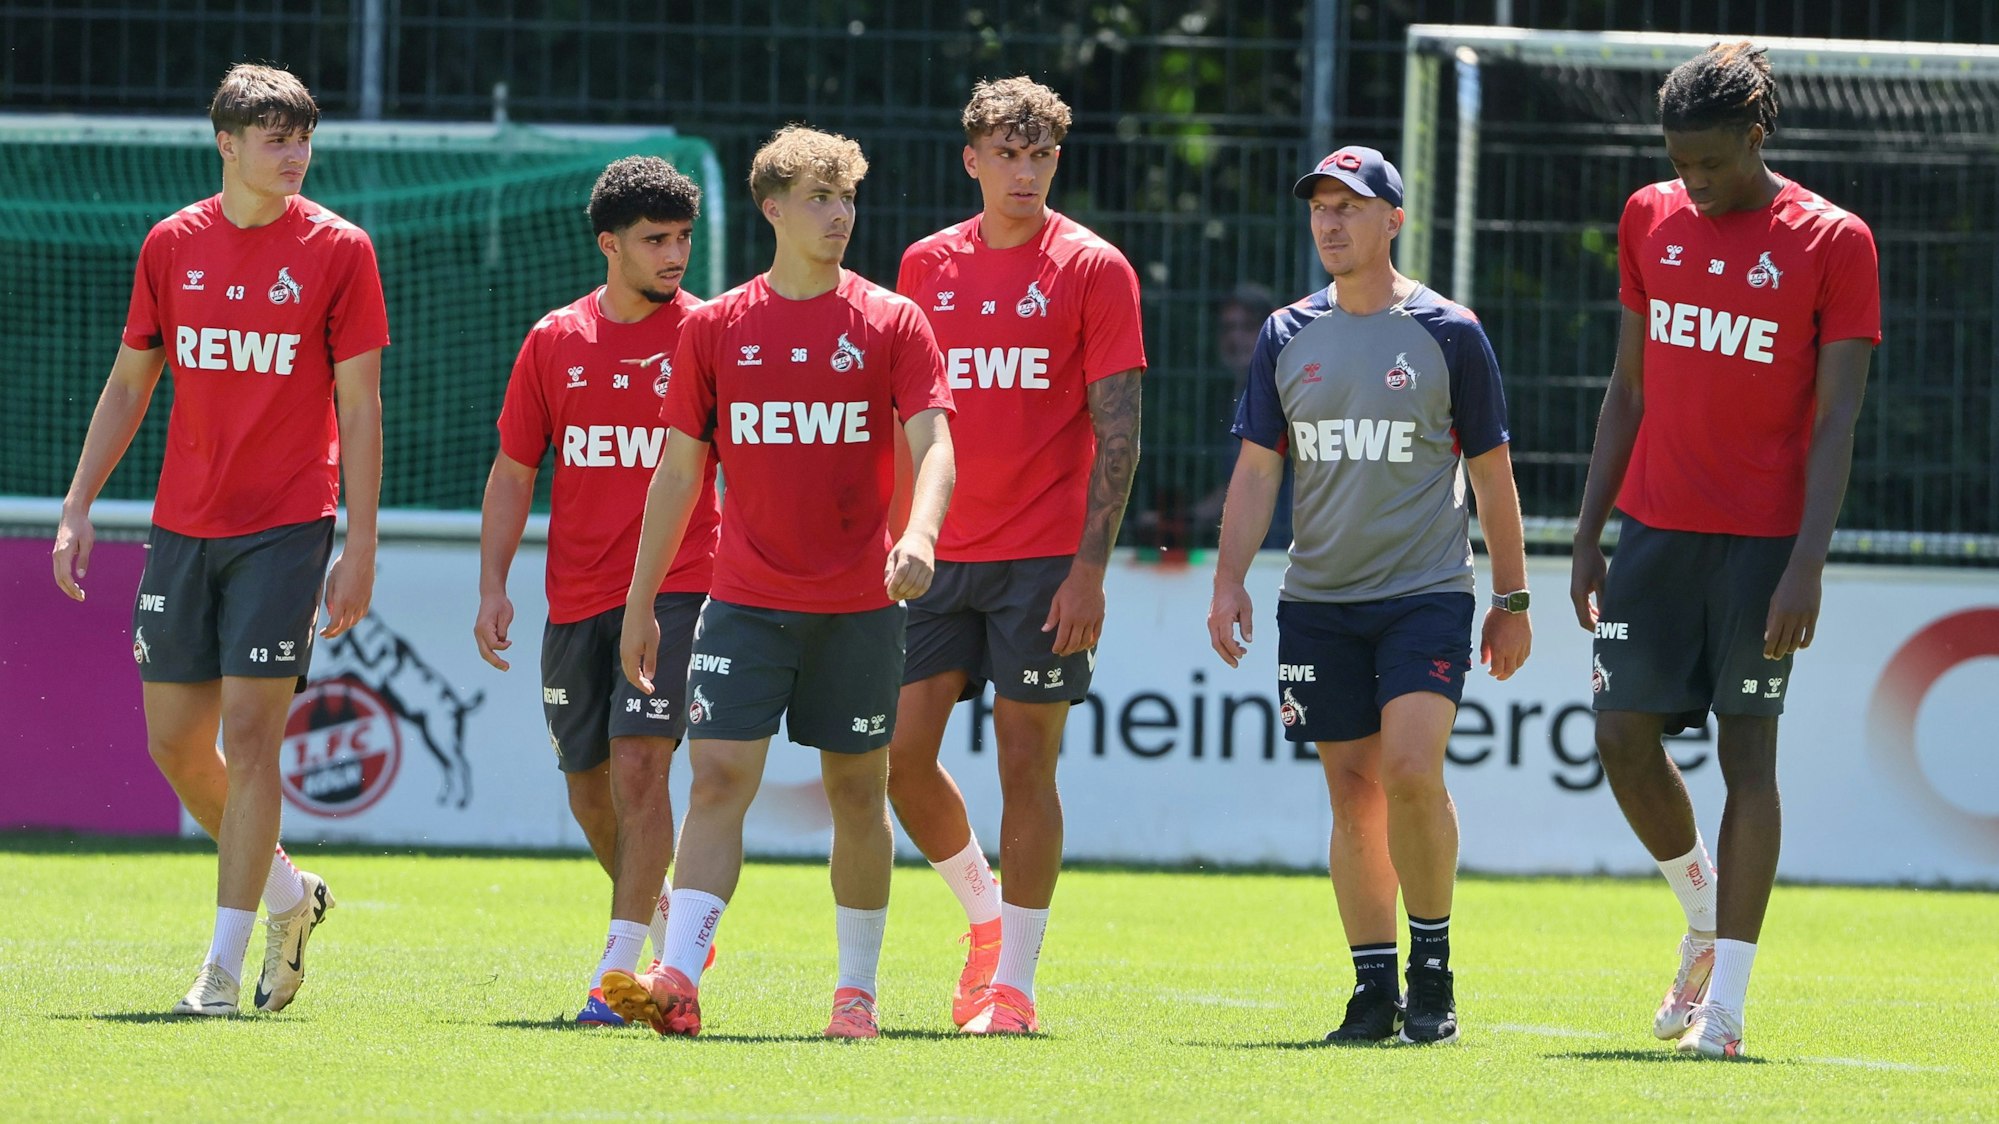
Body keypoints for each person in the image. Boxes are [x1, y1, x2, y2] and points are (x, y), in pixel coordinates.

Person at [598, 125, 957, 1040]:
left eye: (846, 199)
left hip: (860, 606)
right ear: (772, 209)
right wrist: (640, 603)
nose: (839, 216)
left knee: (855, 792)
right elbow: (678, 472)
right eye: (818, 199)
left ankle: (855, 995)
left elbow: (935, 442)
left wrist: (918, 532)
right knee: (717, 780)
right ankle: (678, 973)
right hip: (744, 603)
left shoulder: (891, 320)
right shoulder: (716, 327)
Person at [51, 63, 387, 1016]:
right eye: (274, 138)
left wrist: (358, 541)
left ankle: (221, 969)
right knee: (174, 745)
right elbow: (130, 380)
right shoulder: (171, 244)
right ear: (226, 145)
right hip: (181, 524)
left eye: (302, 137)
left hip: (288, 524)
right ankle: (292, 896)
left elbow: (359, 406)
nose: (294, 155)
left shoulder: (339, 249)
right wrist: (78, 504)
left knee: (250, 738)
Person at [1569, 43, 1877, 1060]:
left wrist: (1807, 562)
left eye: (1710, 162)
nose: (1692, 181)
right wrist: (1587, 531)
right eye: (1678, 162)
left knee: (1749, 754)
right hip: (1654, 530)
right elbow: (1626, 389)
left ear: (1755, 137)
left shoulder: (1835, 240)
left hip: (1761, 547)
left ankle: (1729, 1004)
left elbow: (1835, 422)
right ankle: (1698, 908)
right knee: (1620, 734)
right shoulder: (1647, 216)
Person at [1207, 145, 1530, 1046]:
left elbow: (1494, 476)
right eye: (1319, 206)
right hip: (1317, 600)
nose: (1330, 221)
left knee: (1409, 770)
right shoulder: (1283, 334)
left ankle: (1434, 973)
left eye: (1350, 206)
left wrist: (1514, 597)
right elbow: (1256, 474)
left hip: (1425, 592)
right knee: (1351, 794)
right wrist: (1229, 580)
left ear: (1393, 219)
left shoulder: (1449, 331)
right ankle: (1370, 989)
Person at [891, 76, 1146, 1034]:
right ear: (971, 159)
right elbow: (904, 418)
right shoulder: (923, 266)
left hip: (1045, 559)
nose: (1024, 171)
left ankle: (1016, 989)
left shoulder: (1093, 267)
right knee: (899, 760)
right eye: (1006, 152)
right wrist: (896, 534)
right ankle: (984, 919)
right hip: (937, 552)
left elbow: (1118, 434)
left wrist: (1090, 570)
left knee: (1024, 766)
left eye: (1040, 154)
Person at [474, 156, 719, 1027]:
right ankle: (673, 922)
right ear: (609, 243)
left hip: (681, 588)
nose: (675, 255)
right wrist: (492, 585)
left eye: (684, 237)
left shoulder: (708, 334)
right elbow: (512, 471)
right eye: (656, 239)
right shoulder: (554, 340)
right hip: (573, 599)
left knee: (643, 770)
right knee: (589, 790)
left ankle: (617, 980)